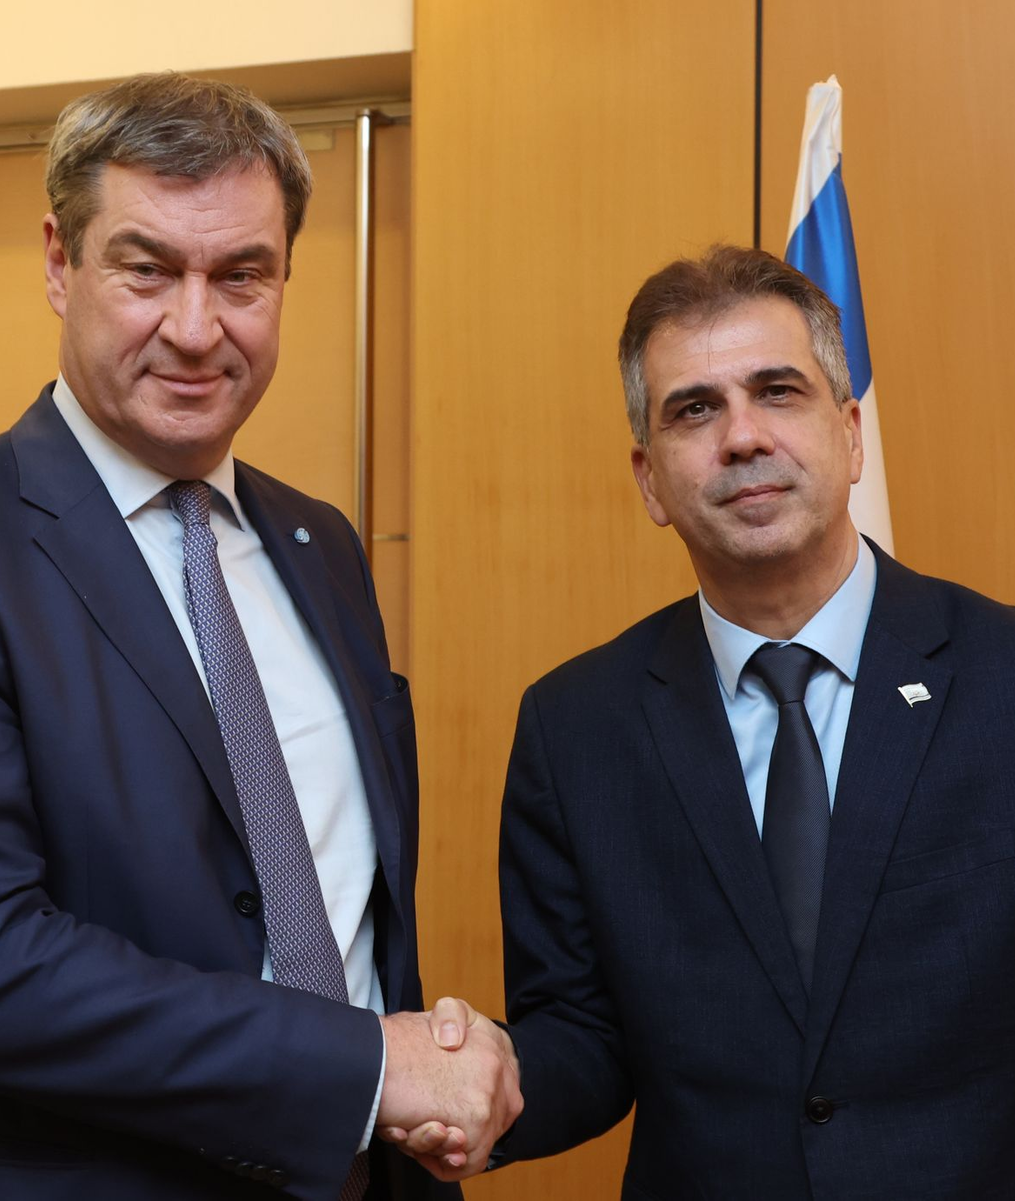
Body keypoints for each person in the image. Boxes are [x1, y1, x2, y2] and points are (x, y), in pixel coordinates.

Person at [0, 73, 518, 1201]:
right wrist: (353, 1068)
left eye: (242, 275)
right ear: (60, 262)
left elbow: (341, 904)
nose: (196, 329)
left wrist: (407, 1072)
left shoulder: (320, 544)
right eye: (147, 269)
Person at [410, 245, 1015, 1197]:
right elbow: (586, 1033)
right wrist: (485, 1084)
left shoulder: (1002, 675)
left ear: (851, 434)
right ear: (650, 479)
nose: (741, 437)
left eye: (778, 391)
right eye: (695, 408)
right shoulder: (576, 728)